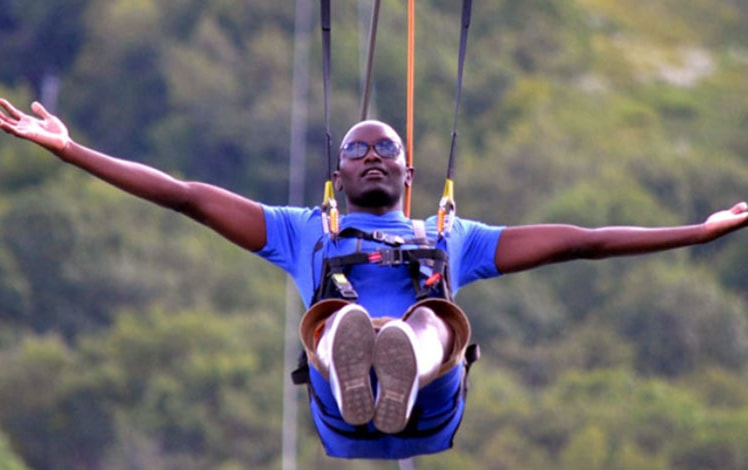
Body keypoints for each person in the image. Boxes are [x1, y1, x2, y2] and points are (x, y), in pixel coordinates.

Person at [1, 99, 747, 460]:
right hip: (340, 408)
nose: (373, 156)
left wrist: (698, 231)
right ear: (339, 172)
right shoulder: (301, 228)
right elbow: (185, 194)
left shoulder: (454, 235)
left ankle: (394, 363)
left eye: (387, 150)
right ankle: (360, 356)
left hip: (425, 412)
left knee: (425, 318)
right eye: (358, 149)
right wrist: (74, 151)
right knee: (336, 314)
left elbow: (584, 243)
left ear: (411, 174)